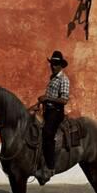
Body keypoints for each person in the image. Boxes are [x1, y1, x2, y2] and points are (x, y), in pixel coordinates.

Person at [32, 50, 70, 185]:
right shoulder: (52, 78)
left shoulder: (64, 79)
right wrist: (42, 102)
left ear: (61, 65)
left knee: (48, 134)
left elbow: (64, 99)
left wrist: (47, 98)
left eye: (55, 64)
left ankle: (50, 166)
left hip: (56, 112)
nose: (53, 66)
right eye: (52, 63)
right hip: (47, 110)